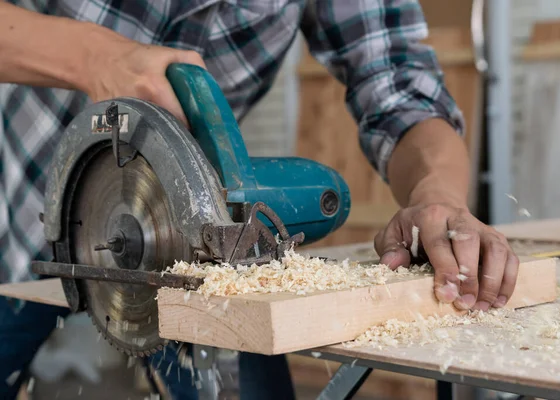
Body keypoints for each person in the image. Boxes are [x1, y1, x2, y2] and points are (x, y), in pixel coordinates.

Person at [0, 1, 519, 399]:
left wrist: (437, 196)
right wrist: (96, 57)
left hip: (193, 243)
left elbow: (399, 85)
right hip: (22, 207)